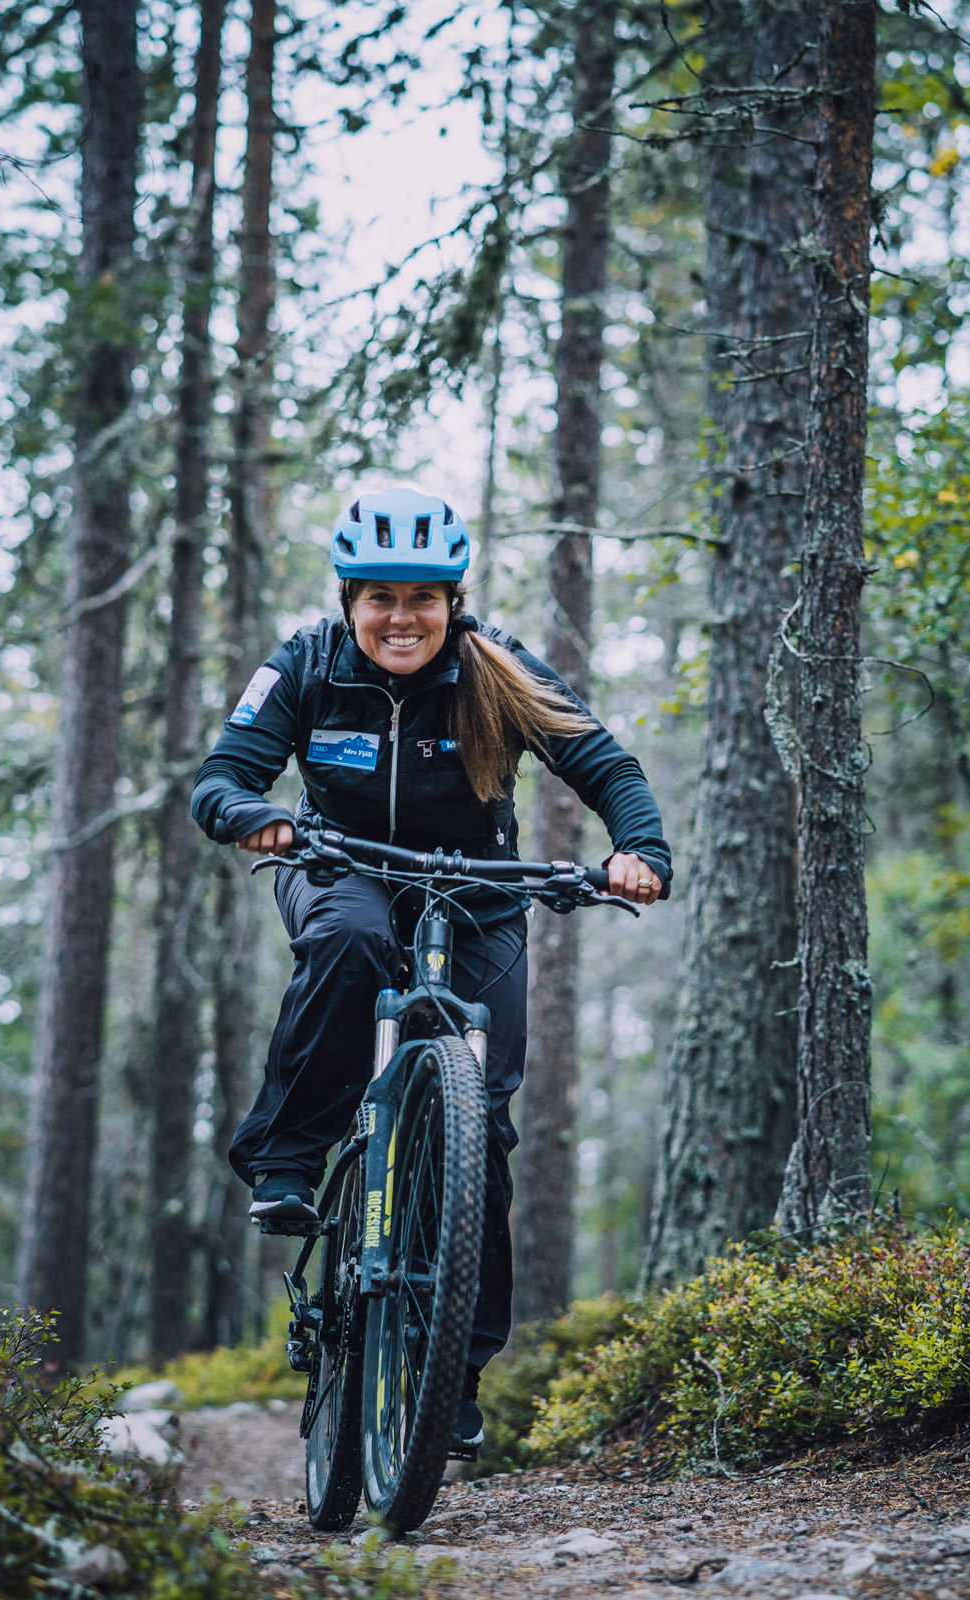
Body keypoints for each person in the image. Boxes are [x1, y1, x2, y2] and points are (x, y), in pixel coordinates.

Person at [190, 484, 671, 1452]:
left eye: (423, 597)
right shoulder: (303, 665)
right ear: (349, 600)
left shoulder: (499, 669)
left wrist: (640, 849)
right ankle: (288, 1156)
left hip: (479, 890)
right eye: (381, 597)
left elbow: (607, 767)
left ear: (455, 601)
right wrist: (253, 815)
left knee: (479, 1126)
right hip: (340, 867)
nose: (401, 617)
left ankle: (450, 1371)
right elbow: (222, 777)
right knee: (350, 942)